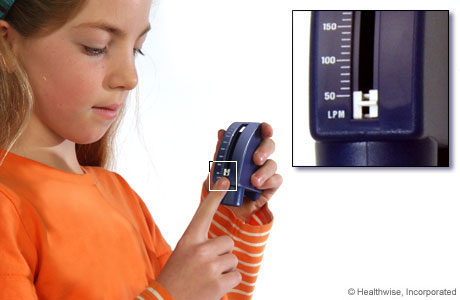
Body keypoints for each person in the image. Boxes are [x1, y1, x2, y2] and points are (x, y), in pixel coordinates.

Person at [0, 0, 283, 299]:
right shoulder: (7, 206)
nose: (130, 77)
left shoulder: (120, 196)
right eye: (96, 47)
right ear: (8, 42)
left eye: (137, 49)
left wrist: (231, 217)